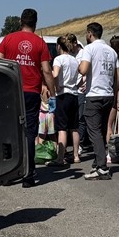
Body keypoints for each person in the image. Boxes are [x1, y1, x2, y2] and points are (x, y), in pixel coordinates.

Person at [0, 8, 56, 187]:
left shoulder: (7, 39)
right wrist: (52, 93)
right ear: (35, 23)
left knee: (9, 132)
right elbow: (46, 70)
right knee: (29, 133)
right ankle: (28, 175)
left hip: (10, 91)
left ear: (21, 21)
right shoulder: (39, 43)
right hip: (31, 92)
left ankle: (7, 174)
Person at [77, 22, 119, 180]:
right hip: (108, 95)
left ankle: (102, 167)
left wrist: (79, 67)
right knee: (102, 131)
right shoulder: (111, 51)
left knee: (94, 131)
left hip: (94, 94)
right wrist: (114, 93)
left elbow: (83, 69)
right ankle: (97, 163)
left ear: (90, 34)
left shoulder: (89, 49)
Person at [52, 35, 81, 165]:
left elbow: (55, 74)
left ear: (59, 46)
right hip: (74, 94)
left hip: (63, 94)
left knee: (62, 128)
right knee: (74, 127)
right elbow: (82, 74)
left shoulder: (58, 59)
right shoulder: (74, 60)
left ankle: (60, 157)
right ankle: (76, 156)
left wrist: (55, 85)